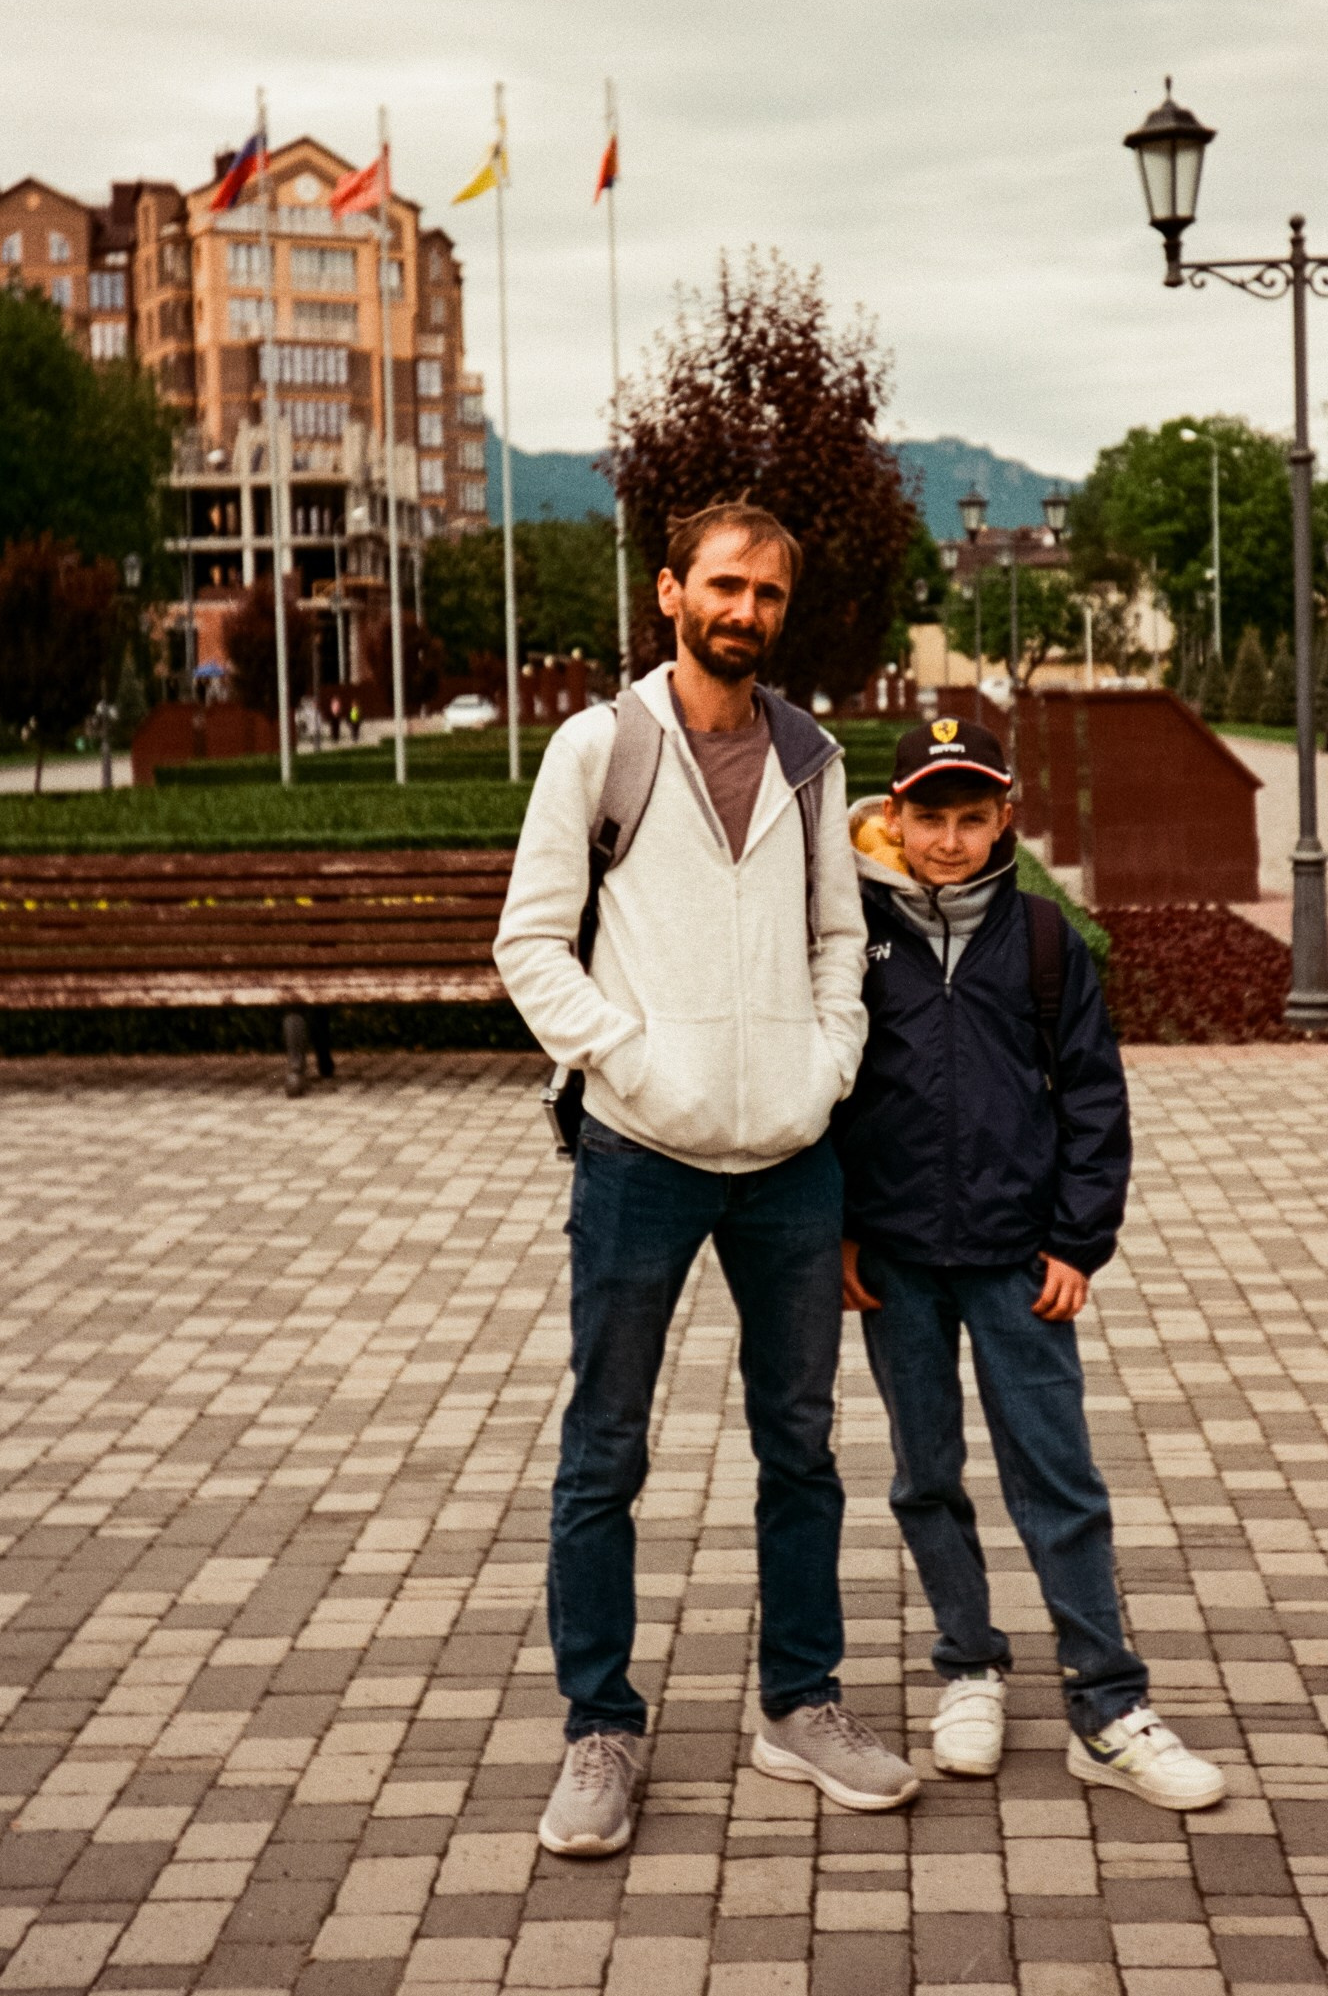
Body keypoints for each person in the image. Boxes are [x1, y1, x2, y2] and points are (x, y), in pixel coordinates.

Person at [494, 502, 914, 1858]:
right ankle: (597, 1729)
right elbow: (529, 943)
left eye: (768, 593)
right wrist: (631, 1062)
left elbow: (838, 937)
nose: (744, 610)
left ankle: (798, 1704)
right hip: (639, 1155)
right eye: (721, 585)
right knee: (604, 1449)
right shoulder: (598, 746)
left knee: (800, 1446)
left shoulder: (810, 752)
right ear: (670, 590)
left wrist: (822, 1065)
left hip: (791, 1157)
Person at [833, 715, 1227, 1812]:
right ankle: (967, 1663)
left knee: (1056, 1479)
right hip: (895, 1263)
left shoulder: (1044, 940)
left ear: (1005, 816)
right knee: (923, 1476)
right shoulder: (849, 937)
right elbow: (826, 1090)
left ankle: (1105, 1704)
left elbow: (1095, 1100)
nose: (949, 839)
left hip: (1019, 1260)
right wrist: (843, 1230)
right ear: (893, 817)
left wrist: (1075, 1239)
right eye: (928, 817)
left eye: (970, 817)